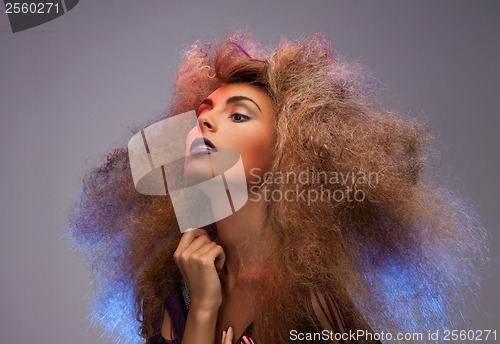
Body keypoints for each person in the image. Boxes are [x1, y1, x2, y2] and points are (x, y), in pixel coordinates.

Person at [69, 32, 488, 344]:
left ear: (288, 150)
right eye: (203, 114)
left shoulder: (318, 309)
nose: (206, 123)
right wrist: (201, 309)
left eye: (239, 117)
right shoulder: (170, 288)